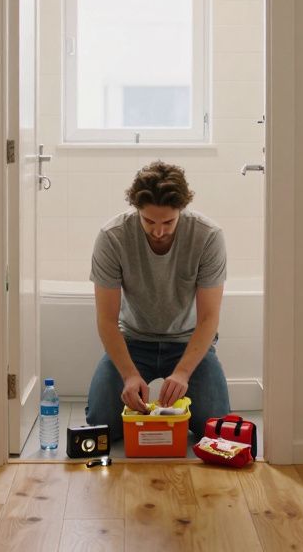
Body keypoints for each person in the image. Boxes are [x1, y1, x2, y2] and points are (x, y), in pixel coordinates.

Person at [84, 161, 231, 441]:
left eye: (168, 222)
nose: (159, 231)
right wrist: (128, 375)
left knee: (212, 427)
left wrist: (183, 373)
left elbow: (208, 318)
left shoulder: (208, 236)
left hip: (187, 342)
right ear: (137, 209)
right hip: (133, 342)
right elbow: (106, 319)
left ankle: (180, 416)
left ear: (181, 210)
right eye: (149, 221)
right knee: (103, 424)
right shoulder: (112, 237)